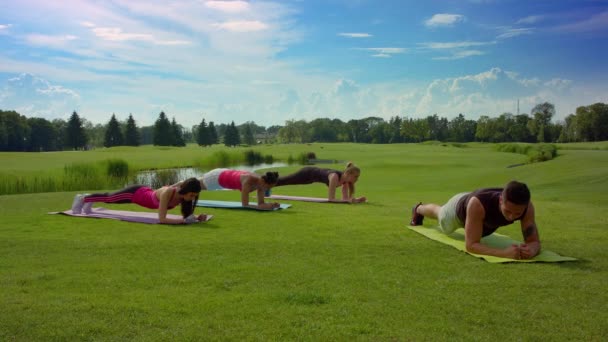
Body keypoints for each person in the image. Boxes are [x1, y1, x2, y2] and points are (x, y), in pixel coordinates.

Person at [409, 180, 541, 260]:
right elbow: (471, 245)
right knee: (440, 214)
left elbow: (533, 241)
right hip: (457, 210)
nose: (512, 217)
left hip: (474, 201)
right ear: (501, 200)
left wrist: (531, 250)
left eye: (517, 213)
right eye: (508, 211)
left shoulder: (527, 207)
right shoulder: (479, 205)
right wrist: (504, 253)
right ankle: (418, 209)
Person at [71, 177, 206, 225]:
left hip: (145, 193)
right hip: (135, 193)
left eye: (195, 195)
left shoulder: (184, 196)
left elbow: (186, 215)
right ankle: (83, 198)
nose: (193, 197)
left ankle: (88, 201)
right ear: (185, 190)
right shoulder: (168, 193)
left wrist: (196, 218)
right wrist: (182, 221)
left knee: (109, 198)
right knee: (109, 198)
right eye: (192, 194)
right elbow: (162, 219)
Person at [274, 162, 366, 203]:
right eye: (355, 176)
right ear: (348, 174)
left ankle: (268, 184)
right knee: (286, 180)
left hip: (311, 179)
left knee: (286, 181)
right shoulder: (334, 177)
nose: (357, 179)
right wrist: (351, 200)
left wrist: (357, 200)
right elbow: (331, 199)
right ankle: (266, 183)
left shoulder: (345, 182)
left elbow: (345, 199)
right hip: (307, 173)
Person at [199, 168, 280, 210]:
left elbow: (261, 203)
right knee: (195, 186)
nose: (268, 189)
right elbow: (245, 205)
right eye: (268, 187)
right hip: (216, 178)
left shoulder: (261, 183)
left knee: (195, 183)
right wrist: (261, 207)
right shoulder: (248, 181)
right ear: (263, 181)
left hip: (225, 174)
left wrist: (271, 205)